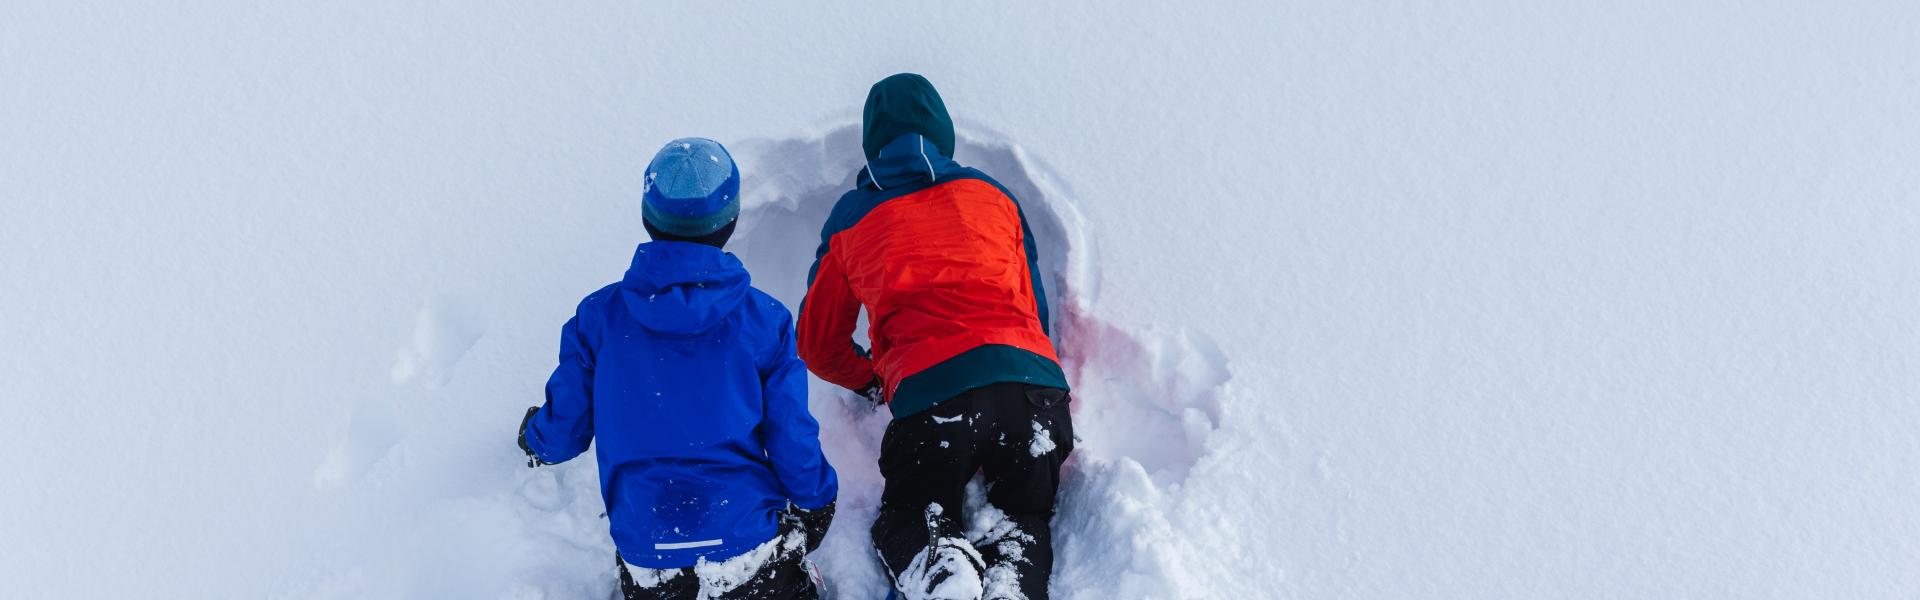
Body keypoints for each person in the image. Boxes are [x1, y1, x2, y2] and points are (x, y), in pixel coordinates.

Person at [518, 138, 838, 600]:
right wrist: (816, 497)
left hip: (649, 554)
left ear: (649, 218)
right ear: (729, 222)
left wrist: (535, 440)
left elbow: (565, 429)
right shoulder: (764, 321)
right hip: (744, 545)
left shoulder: (600, 318)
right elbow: (791, 434)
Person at [798, 74, 1074, 600]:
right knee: (1023, 521)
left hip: (934, 402)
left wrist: (874, 380)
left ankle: (944, 568)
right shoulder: (993, 195)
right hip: (1032, 391)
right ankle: (1011, 582)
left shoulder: (851, 218)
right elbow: (1035, 312)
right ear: (942, 132)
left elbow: (816, 344)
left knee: (911, 518)